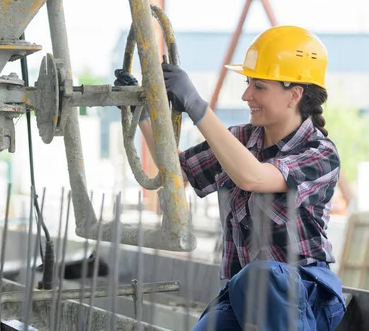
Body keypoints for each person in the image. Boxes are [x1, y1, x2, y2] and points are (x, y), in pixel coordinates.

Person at [115, 25, 347, 330]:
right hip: (244, 291)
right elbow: (177, 172)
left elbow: (254, 178)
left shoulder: (320, 153)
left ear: (295, 94)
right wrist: (141, 112)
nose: (246, 94)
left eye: (259, 86)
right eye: (248, 82)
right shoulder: (241, 140)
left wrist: (197, 106)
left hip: (303, 293)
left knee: (262, 276)